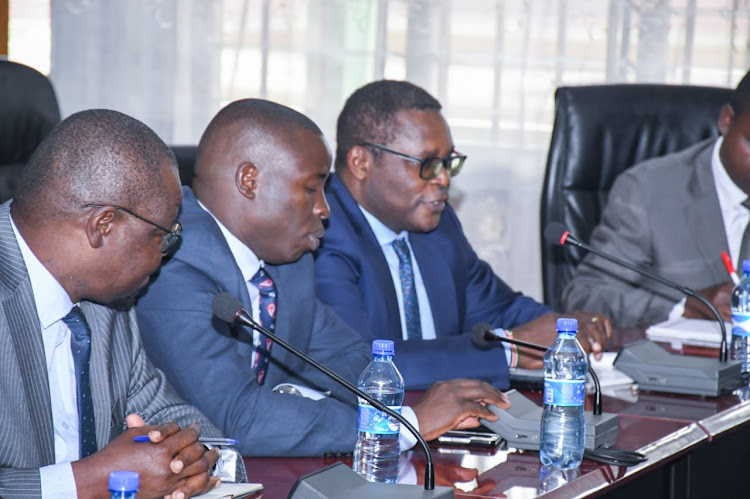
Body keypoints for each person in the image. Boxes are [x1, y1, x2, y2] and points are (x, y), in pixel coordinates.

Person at [136, 98, 511, 458]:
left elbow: (350, 357)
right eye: (311, 189)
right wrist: (400, 426)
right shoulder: (171, 264)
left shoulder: (286, 259)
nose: (324, 209)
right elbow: (237, 419)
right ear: (249, 181)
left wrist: (432, 409)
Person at [0, 109, 244, 498]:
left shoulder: (108, 304)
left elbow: (176, 420)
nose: (166, 255)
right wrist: (91, 481)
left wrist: (192, 462)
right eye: (163, 237)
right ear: (104, 226)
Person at [314, 80, 612, 390]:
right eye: (428, 164)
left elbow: (497, 309)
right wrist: (511, 350)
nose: (443, 179)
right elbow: (360, 365)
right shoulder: (320, 235)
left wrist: (567, 330)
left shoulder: (435, 225)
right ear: (361, 162)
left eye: (448, 163)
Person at [563, 71, 750, 328]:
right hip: (677, 364)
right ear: (726, 121)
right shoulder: (646, 191)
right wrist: (683, 306)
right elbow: (587, 295)